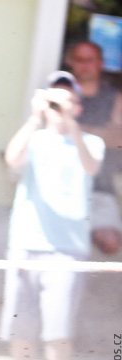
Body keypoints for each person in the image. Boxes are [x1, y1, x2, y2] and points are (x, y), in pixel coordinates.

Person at [0, 71, 102, 360]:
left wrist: (69, 122)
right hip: (26, 243)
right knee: (20, 324)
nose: (59, 105)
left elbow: (90, 167)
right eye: (54, 99)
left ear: (78, 104)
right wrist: (34, 117)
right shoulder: (36, 139)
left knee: (58, 327)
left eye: (66, 99)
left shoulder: (91, 141)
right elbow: (12, 159)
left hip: (67, 249)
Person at [64, 39, 122, 256]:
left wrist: (76, 129)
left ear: (100, 64)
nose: (85, 65)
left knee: (110, 242)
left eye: (90, 60)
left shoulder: (114, 97)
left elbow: (118, 137)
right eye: (79, 60)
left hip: (99, 188)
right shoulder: (63, 92)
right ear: (71, 63)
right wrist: (100, 132)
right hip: (63, 186)